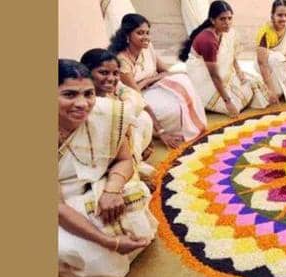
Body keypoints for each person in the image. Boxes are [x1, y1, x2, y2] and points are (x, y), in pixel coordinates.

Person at [58, 59, 157, 277]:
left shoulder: (105, 113)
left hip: (94, 187)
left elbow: (124, 160)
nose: (82, 104)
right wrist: (111, 242)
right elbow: (57, 207)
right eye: (69, 95)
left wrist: (112, 189)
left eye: (88, 94)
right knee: (65, 250)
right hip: (60, 203)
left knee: (135, 195)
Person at [109, 13, 207, 148]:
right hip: (136, 98)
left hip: (153, 87)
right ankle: (158, 131)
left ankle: (191, 126)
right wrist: (161, 132)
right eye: (140, 33)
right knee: (173, 108)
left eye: (147, 33)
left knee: (183, 78)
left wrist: (151, 80)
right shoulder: (122, 60)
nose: (146, 37)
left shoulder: (147, 47)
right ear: (127, 35)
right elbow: (137, 97)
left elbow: (165, 71)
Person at [181, 0, 269, 117]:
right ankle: (206, 101)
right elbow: (214, 75)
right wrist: (228, 102)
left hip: (222, 74)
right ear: (213, 20)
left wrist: (239, 72)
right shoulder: (208, 40)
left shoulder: (228, 32)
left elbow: (231, 54)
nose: (227, 22)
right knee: (236, 104)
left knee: (255, 83)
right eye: (222, 19)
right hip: (204, 79)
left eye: (229, 18)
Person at [80, 48, 157, 178]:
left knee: (141, 117)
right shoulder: (83, 101)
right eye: (103, 72)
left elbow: (137, 99)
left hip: (121, 150)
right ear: (86, 73)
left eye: (115, 73)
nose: (111, 78)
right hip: (92, 157)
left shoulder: (115, 90)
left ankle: (133, 161)